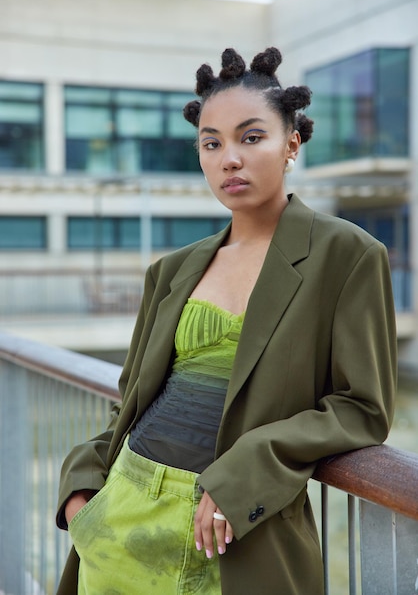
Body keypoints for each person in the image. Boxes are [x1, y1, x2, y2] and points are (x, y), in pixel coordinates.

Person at [56, 47, 397, 595]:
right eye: (211, 143)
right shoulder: (171, 270)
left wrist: (248, 470)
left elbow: (362, 408)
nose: (229, 158)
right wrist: (80, 493)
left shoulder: (348, 254)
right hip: (118, 522)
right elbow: (132, 402)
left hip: (233, 530)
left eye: (251, 137)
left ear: (292, 142)